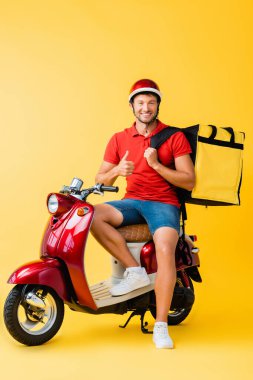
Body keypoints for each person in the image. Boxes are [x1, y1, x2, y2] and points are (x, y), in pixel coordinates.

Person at [91, 79, 195, 349]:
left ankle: (161, 325)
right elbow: (101, 178)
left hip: (164, 203)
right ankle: (135, 271)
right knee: (90, 215)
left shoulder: (174, 137)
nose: (145, 108)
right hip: (132, 202)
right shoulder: (119, 138)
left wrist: (156, 165)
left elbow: (189, 181)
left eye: (151, 102)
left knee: (164, 248)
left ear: (158, 105)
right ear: (132, 106)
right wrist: (116, 171)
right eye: (140, 103)